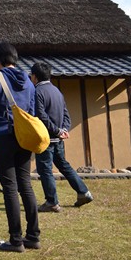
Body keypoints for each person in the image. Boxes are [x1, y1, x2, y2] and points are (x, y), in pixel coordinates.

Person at [0, 42, 41, 252]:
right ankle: (33, 237)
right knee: (26, 185)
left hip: (4, 136)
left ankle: (16, 240)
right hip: (25, 137)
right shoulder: (28, 80)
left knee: (10, 188)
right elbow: (32, 111)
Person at [31, 62, 93, 212]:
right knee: (64, 165)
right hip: (58, 139)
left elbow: (41, 116)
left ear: (34, 76)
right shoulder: (57, 91)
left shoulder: (37, 91)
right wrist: (63, 129)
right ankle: (83, 192)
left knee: (45, 169)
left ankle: (52, 202)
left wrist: (57, 131)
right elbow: (66, 114)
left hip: (45, 138)